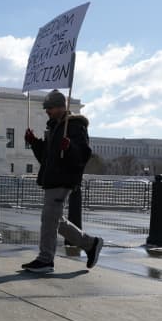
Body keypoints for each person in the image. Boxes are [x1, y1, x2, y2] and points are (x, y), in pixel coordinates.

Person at [22, 89, 103, 274]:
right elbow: (46, 157)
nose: (46, 111)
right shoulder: (53, 127)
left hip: (63, 179)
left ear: (60, 107)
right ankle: (91, 244)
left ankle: (45, 260)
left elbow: (83, 154)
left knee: (49, 219)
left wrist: (70, 147)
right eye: (46, 108)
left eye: (49, 108)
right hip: (53, 178)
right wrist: (34, 142)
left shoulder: (74, 126)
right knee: (56, 219)